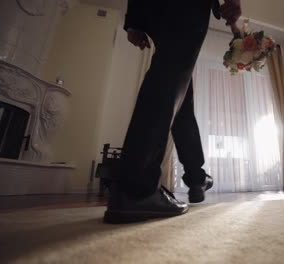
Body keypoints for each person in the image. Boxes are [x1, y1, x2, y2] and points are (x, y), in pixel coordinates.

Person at [104, 0, 242, 224]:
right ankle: (136, 189)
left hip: (153, 11)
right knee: (171, 79)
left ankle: (196, 177)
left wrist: (134, 21)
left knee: (178, 88)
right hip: (187, 7)